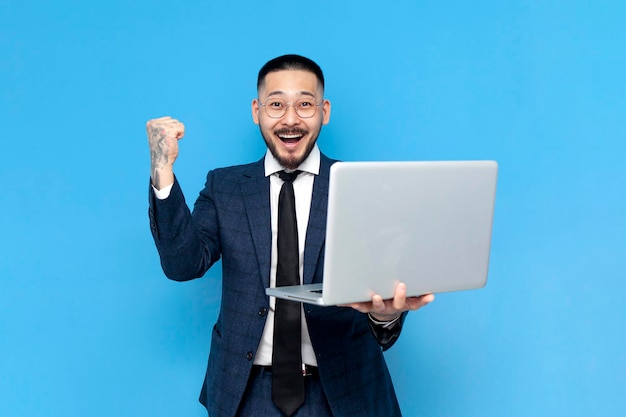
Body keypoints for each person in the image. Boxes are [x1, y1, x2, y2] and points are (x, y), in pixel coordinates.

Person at [146, 54, 434, 417]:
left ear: (324, 111)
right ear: (257, 111)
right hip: (245, 393)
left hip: (343, 393)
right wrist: (162, 169)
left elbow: (382, 293)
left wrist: (386, 316)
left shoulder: (363, 186)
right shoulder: (226, 187)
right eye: (277, 104)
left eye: (305, 104)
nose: (291, 118)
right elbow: (182, 264)